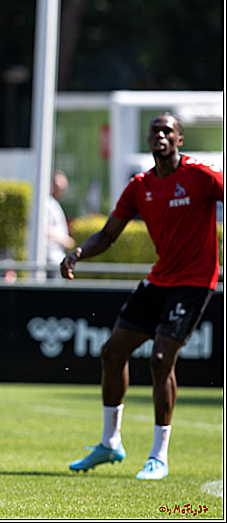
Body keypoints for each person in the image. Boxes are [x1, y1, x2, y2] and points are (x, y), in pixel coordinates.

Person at [62, 112, 222, 481]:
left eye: (168, 130)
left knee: (161, 358)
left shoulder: (199, 175)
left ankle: (158, 456)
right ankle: (110, 442)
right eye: (155, 131)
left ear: (179, 139)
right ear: (149, 140)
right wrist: (79, 254)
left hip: (195, 281)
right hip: (161, 279)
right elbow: (107, 235)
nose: (160, 135)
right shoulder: (140, 186)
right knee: (112, 352)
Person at [46, 171, 75, 279]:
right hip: (50, 257)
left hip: (57, 256)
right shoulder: (46, 202)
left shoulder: (54, 203)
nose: (61, 190)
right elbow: (44, 228)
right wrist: (65, 240)